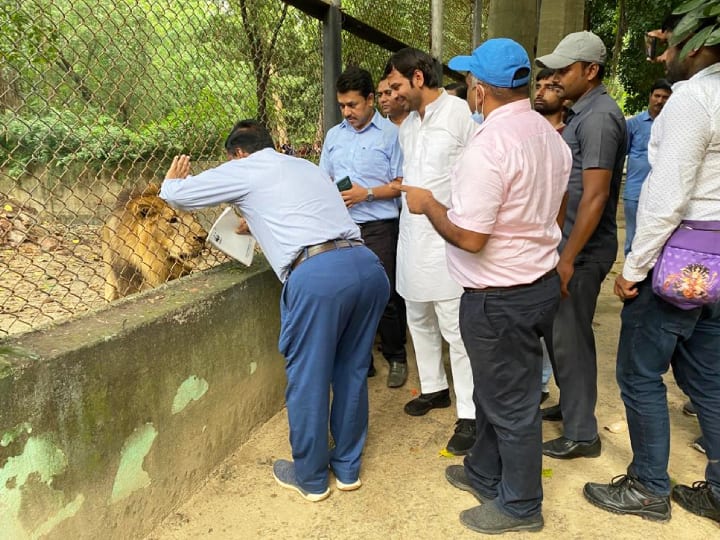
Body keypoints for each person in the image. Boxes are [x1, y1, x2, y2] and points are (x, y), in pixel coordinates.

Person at [159, 120, 390, 502]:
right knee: (351, 369)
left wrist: (171, 183)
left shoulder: (246, 167)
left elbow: (180, 198)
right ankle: (347, 469)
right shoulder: (306, 167)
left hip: (319, 278)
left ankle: (311, 479)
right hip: (366, 266)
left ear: (238, 153)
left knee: (309, 378)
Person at [399, 38, 571, 534]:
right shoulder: (550, 136)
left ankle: (521, 506)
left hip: (499, 297)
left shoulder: (489, 146)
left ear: (480, 89)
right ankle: (482, 470)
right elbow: (557, 209)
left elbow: (471, 238)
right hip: (536, 283)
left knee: (512, 405)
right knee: (501, 392)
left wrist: (430, 205)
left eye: (471, 78)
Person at [583, 15, 720, 525]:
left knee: (640, 373)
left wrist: (633, 269)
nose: (663, 58)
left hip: (679, 260)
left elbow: (668, 197)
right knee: (709, 374)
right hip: (719, 262)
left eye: (667, 46)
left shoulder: (694, 98)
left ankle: (647, 485)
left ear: (699, 42)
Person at [536, 31, 627, 459]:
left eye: (565, 69)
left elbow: (595, 194)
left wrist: (568, 257)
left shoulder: (598, 118)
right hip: (568, 243)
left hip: (583, 249)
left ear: (590, 71)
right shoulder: (581, 113)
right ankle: (570, 405)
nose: (555, 77)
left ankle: (583, 434)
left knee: (571, 337)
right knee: (560, 337)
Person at [383, 48, 477, 455]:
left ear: (418, 78)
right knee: (418, 316)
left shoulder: (459, 115)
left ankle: (471, 413)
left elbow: (476, 175)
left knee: (456, 329)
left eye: (398, 86)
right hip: (412, 236)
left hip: (446, 236)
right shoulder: (408, 127)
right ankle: (435, 388)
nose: (394, 94)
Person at [319, 66, 408, 388]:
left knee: (384, 295)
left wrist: (366, 193)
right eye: (342, 106)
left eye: (353, 105)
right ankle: (362, 358)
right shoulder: (334, 136)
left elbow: (401, 185)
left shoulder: (391, 135)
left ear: (371, 100)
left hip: (379, 227)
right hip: (343, 229)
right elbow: (325, 177)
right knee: (350, 296)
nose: (347, 112)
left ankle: (397, 355)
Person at [534, 67, 570, 403]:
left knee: (552, 324)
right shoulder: (526, 134)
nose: (543, 92)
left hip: (554, 242)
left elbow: (566, 197)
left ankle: (543, 383)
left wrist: (556, 241)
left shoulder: (567, 137)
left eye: (552, 87)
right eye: (539, 85)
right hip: (528, 246)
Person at [623, 79, 672, 254]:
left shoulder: (674, 125)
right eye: (657, 96)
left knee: (658, 242)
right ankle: (629, 279)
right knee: (633, 239)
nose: (660, 101)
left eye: (665, 97)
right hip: (635, 193)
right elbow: (621, 155)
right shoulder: (633, 124)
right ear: (650, 97)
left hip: (664, 194)